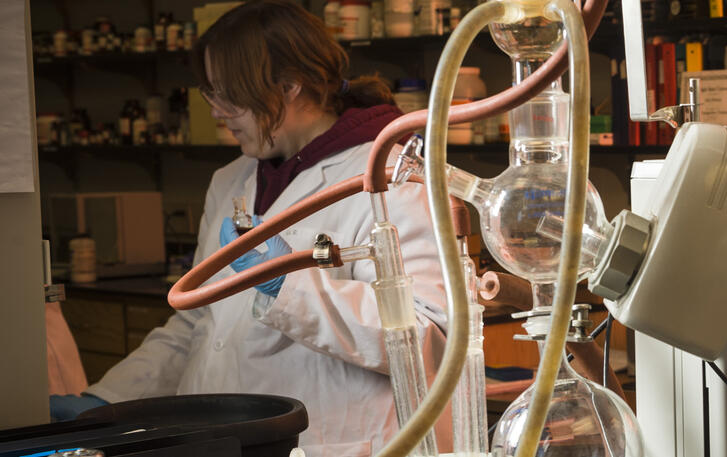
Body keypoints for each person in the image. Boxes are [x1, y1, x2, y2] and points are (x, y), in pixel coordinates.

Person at [49, 1, 451, 455]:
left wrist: (289, 286)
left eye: (228, 96)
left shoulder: (394, 178)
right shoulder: (231, 180)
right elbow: (200, 321)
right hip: (220, 440)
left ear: (290, 86)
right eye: (209, 94)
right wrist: (109, 400)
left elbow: (428, 337)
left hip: (329, 440)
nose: (217, 113)